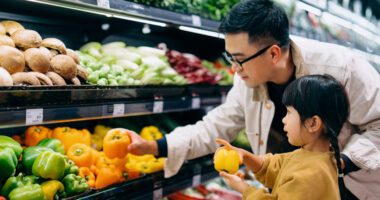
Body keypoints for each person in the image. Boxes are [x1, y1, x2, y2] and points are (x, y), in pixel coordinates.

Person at [127, 0, 380, 199]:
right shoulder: (248, 79)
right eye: (230, 58)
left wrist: (339, 163)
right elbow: (214, 127)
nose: (234, 68)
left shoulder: (343, 68)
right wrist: (153, 146)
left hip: (351, 190)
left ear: (273, 53)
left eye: (239, 58)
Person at [216, 74, 348, 200]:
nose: (284, 120)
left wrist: (244, 189)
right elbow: (275, 167)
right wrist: (245, 155)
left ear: (313, 123)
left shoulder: (309, 176)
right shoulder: (312, 155)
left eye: (289, 113)